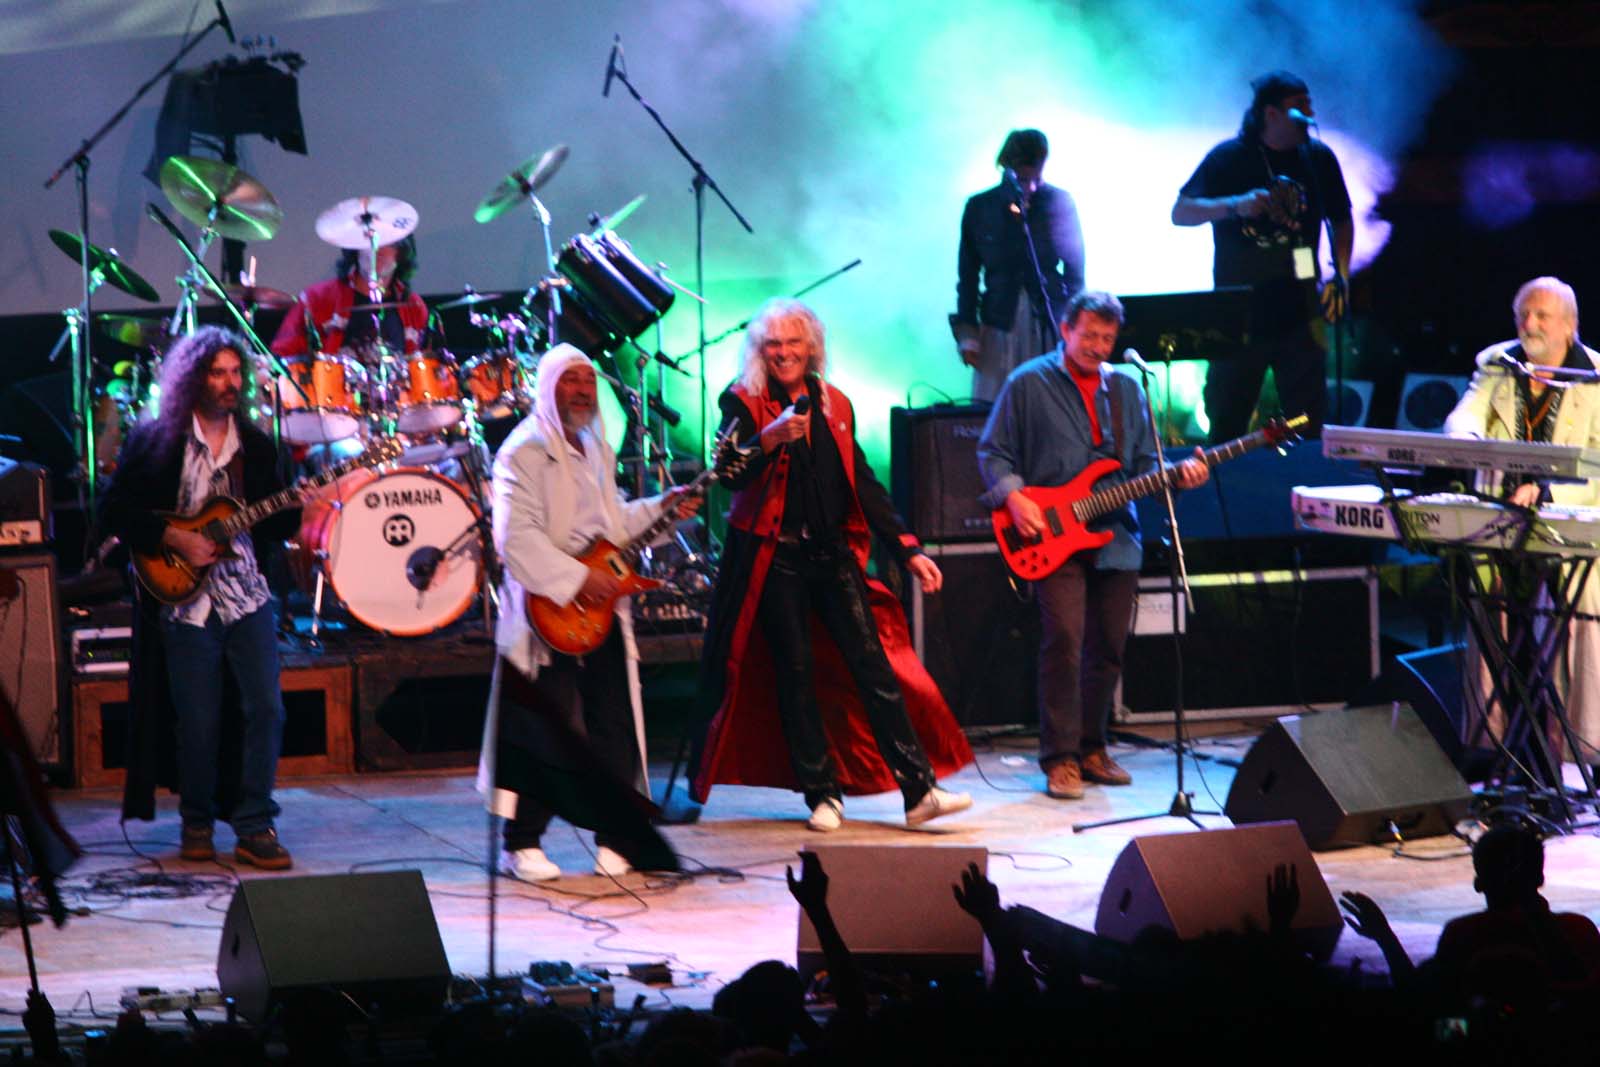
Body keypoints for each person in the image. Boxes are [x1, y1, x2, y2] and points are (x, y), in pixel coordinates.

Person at [692, 299, 974, 831]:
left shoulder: (834, 402)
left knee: (875, 667)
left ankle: (919, 789)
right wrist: (767, 439)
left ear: (811, 348)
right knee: (795, 674)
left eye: (793, 342)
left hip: (834, 555)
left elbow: (860, 481)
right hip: (776, 559)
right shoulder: (742, 400)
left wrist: (908, 549)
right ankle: (822, 794)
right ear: (760, 351)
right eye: (773, 344)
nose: (783, 352)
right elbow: (725, 472)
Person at [477, 343, 698, 881]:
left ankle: (616, 836)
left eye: (588, 382)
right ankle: (521, 843)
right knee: (545, 724)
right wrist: (578, 579)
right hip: (547, 607)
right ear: (548, 389)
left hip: (600, 608)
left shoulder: (597, 447)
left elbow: (612, 525)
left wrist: (664, 508)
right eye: (570, 381)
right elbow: (515, 539)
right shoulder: (523, 452)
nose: (581, 391)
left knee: (612, 720)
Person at [977, 291, 1209, 800]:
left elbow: (1145, 465)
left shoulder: (1126, 388)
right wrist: (1015, 497)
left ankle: (1092, 747)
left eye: (1107, 338)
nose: (1099, 346)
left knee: (1108, 647)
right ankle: (1059, 757)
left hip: (1116, 535)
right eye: (1089, 335)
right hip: (1050, 533)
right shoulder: (1027, 384)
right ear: (1066, 330)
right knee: (1063, 640)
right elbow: (992, 453)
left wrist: (1179, 476)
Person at [99, 326, 298, 868]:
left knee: (267, 709)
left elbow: (279, 526)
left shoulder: (256, 446)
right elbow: (113, 509)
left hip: (247, 596)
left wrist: (301, 501)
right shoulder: (158, 441)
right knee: (197, 719)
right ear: (194, 378)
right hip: (184, 601)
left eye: (235, 373)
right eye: (217, 373)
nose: (230, 383)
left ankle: (255, 825)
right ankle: (197, 824)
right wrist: (175, 537)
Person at [1442, 276, 1600, 765]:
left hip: (1572, 528)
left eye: (1541, 316)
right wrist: (1467, 443)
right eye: (1523, 315)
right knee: (1491, 611)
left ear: (1569, 326)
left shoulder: (1596, 377)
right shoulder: (1498, 363)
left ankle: (1576, 752)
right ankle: (1506, 754)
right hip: (1503, 525)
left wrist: (1547, 491)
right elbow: (1464, 417)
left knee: (1575, 612)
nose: (1529, 324)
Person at [1171, 70, 1352, 442]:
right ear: (1270, 113)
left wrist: (1341, 274)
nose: (1309, 114)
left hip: (1301, 305)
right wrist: (1235, 205)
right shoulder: (1230, 157)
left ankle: (1301, 475)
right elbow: (1181, 212)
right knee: (1228, 416)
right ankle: (1226, 476)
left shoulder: (1318, 157)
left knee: (1307, 419)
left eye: (1310, 104)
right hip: (1239, 310)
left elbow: (1341, 218)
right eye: (1298, 106)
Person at [953, 128, 1086, 403]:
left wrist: (1076, 329)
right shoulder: (980, 207)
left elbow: (1075, 274)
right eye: (1025, 178)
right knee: (995, 407)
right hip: (998, 323)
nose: (1032, 187)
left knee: (1049, 406)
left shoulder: (1058, 202)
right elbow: (968, 277)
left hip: (1049, 322)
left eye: (1037, 176)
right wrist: (968, 334)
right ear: (1008, 168)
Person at [1431, 822, 1600, 1003]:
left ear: (1478, 884)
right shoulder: (1578, 928)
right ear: (1540, 878)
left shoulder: (1460, 934)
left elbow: (1443, 1005)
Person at [270, 236, 429, 360]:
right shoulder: (316, 298)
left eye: (388, 242)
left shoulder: (414, 306)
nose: (376, 249)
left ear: (402, 253)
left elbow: (426, 370)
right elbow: (282, 357)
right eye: (368, 241)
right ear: (355, 249)